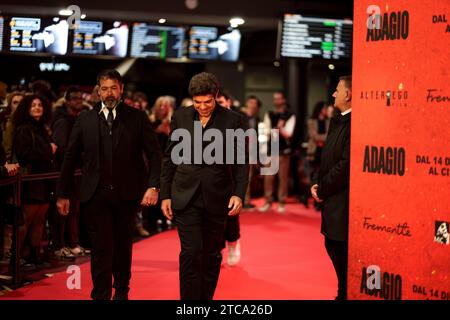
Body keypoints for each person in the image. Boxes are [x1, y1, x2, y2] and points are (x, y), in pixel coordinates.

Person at [56, 69, 162, 300]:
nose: (109, 93)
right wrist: (62, 193)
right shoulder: (84, 119)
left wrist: (153, 186)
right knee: (101, 249)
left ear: (121, 89)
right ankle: (101, 295)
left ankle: (122, 293)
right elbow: (70, 157)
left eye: (113, 87)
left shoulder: (137, 117)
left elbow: (155, 154)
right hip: (95, 196)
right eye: (104, 88)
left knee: (123, 247)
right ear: (98, 91)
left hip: (127, 195)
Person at [160, 72, 248, 300]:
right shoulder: (180, 117)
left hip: (217, 197)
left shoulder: (233, 120)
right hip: (184, 196)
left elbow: (240, 161)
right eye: (197, 102)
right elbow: (170, 158)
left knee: (211, 256)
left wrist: (239, 194)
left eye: (207, 102)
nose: (202, 107)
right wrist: (165, 194)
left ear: (216, 96)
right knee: (190, 253)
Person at [311, 75, 352, 301]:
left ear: (348, 94)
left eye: (337, 90)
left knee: (339, 247)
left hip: (342, 199)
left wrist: (323, 188)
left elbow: (345, 165)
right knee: (332, 244)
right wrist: (318, 182)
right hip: (331, 197)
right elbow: (327, 156)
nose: (333, 94)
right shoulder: (337, 119)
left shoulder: (354, 122)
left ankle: (344, 293)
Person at [13, 94, 56, 268]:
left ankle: (34, 256)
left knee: (39, 219)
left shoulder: (42, 128)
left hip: (44, 180)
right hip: (31, 180)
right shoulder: (23, 129)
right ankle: (14, 259)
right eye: (33, 105)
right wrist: (48, 150)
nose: (37, 107)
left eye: (40, 105)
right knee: (26, 220)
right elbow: (24, 155)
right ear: (26, 108)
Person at [51, 86, 89, 259]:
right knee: (63, 211)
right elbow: (62, 149)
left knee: (74, 210)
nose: (78, 101)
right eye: (74, 98)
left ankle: (73, 243)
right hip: (64, 172)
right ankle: (59, 245)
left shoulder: (77, 119)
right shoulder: (62, 121)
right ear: (66, 100)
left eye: (80, 98)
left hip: (76, 172)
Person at [258, 91, 296, 213]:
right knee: (268, 179)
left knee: (283, 179)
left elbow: (288, 134)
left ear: (283, 100)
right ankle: (268, 202)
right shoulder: (269, 114)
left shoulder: (290, 115)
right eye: (275, 99)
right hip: (271, 149)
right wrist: (277, 129)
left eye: (279, 99)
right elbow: (266, 132)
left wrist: (280, 129)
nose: (276, 101)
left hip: (284, 151)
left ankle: (281, 203)